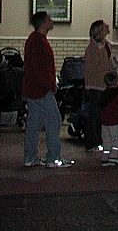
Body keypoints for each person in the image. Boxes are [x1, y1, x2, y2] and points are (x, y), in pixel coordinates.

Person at [22, 11, 73, 168]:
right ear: (43, 23)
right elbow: (41, 69)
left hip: (32, 88)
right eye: (49, 19)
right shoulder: (39, 42)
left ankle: (30, 157)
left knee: (34, 123)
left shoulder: (33, 40)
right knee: (54, 120)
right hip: (41, 90)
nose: (52, 21)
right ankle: (53, 158)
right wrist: (51, 85)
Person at [83, 19, 116, 152]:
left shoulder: (107, 44)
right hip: (95, 85)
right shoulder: (92, 48)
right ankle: (91, 143)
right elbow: (94, 68)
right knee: (94, 115)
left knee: (101, 115)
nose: (108, 27)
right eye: (105, 27)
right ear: (99, 31)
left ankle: (100, 140)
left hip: (104, 84)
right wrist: (111, 63)